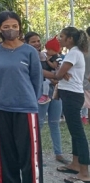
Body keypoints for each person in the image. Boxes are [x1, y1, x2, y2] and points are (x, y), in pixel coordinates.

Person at [0, 11, 43, 183]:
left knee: (29, 157)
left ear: (20, 27)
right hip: (3, 108)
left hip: (26, 109)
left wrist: (30, 100)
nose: (11, 30)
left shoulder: (29, 52)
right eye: (6, 27)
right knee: (7, 156)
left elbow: (37, 80)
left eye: (14, 26)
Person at [46, 27, 90, 183]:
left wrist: (38, 68)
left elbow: (57, 75)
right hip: (70, 94)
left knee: (78, 133)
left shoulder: (73, 53)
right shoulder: (75, 52)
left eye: (62, 36)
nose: (59, 39)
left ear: (70, 39)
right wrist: (62, 72)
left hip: (72, 95)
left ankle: (85, 173)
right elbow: (62, 73)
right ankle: (75, 164)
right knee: (74, 131)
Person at [25, 31, 67, 165]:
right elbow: (37, 71)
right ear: (27, 43)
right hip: (39, 92)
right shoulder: (27, 56)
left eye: (38, 41)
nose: (37, 43)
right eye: (33, 41)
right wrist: (55, 76)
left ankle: (58, 153)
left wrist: (57, 77)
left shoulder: (46, 55)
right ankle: (35, 155)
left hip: (54, 90)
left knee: (55, 122)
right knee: (39, 123)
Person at [38, 36, 62, 104]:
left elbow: (54, 65)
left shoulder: (55, 57)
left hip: (55, 72)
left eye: (48, 50)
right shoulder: (55, 56)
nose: (47, 51)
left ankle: (45, 95)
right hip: (55, 74)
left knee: (46, 83)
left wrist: (48, 61)